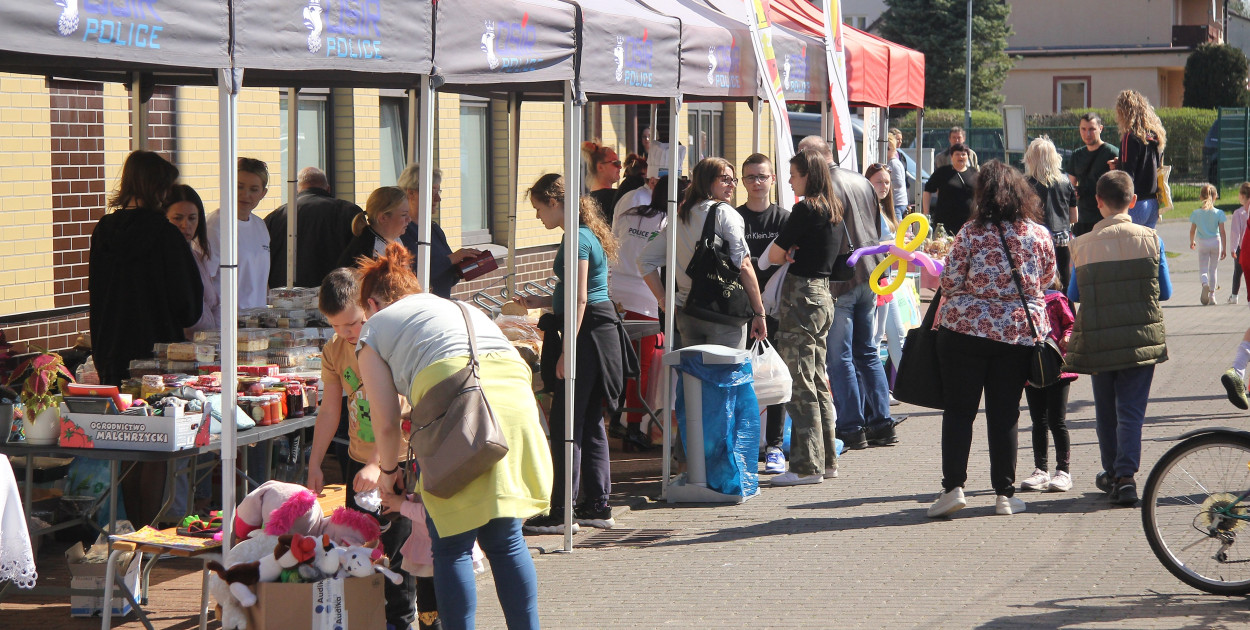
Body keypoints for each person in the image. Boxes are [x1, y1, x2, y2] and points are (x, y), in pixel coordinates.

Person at [356, 243, 551, 630]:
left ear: (373, 304)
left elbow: (386, 421)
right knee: (505, 538)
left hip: (460, 410)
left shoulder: (374, 328)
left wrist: (389, 470)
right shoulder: (457, 306)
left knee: (452, 544)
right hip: (513, 400)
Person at [926, 160, 1056, 519]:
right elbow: (1047, 280)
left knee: (959, 412)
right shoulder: (1038, 234)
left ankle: (953, 488)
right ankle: (1005, 494)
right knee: (1005, 415)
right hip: (1016, 334)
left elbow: (949, 282)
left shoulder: (970, 232)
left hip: (964, 332)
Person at [304, 268, 426, 630]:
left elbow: (398, 408)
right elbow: (330, 409)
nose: (346, 333)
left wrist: (378, 463)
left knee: (401, 559)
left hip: (400, 464)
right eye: (336, 326)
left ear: (367, 307)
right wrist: (314, 464)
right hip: (359, 466)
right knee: (359, 553)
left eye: (353, 323)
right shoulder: (334, 350)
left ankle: (402, 622)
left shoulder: (386, 341)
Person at [89, 150, 202, 526]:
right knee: (153, 444)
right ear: (156, 188)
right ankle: (146, 533)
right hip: (158, 357)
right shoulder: (165, 236)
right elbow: (189, 305)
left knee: (126, 443)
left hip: (111, 350)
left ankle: (130, 534)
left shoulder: (104, 230)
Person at [517, 173, 626, 534]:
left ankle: (563, 512)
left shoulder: (576, 238)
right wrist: (543, 300)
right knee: (590, 421)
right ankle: (596, 505)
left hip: (589, 334)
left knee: (567, 422)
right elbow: (583, 290)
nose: (537, 218)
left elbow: (581, 297)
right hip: (598, 328)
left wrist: (568, 350)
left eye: (538, 209)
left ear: (554, 201)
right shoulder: (582, 234)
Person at [1067, 170, 1172, 507]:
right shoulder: (1152, 239)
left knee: (1105, 411)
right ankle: (1126, 476)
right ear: (1134, 201)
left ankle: (1112, 472)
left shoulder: (1081, 245)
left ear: (1097, 202)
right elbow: (1166, 291)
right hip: (1141, 336)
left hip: (1099, 337)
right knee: (1131, 411)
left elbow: (1074, 292)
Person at [797, 136, 897, 451]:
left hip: (840, 277)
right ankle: (882, 423)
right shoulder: (860, 181)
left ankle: (852, 426)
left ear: (810, 156)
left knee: (840, 356)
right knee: (866, 351)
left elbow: (822, 235)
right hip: (870, 272)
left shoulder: (823, 187)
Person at [764, 150, 844, 487]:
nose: (789, 180)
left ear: (807, 176)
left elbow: (772, 255)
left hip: (801, 296)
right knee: (816, 378)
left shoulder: (805, 208)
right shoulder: (834, 209)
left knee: (800, 381)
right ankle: (826, 461)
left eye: (793, 174)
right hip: (823, 295)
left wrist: (788, 252)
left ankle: (805, 466)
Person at [638, 157, 768, 349]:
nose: (732, 185)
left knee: (693, 375)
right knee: (725, 376)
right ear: (707, 181)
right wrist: (759, 312)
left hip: (687, 311)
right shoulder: (725, 213)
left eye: (733, 180)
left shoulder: (680, 217)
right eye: (725, 179)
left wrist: (664, 300)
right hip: (722, 310)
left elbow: (645, 261)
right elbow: (744, 264)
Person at [610, 175, 679, 453]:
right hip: (647, 297)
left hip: (614, 293)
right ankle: (634, 428)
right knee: (641, 369)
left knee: (615, 362)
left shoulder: (628, 214)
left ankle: (615, 417)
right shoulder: (668, 224)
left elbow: (611, 246)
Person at [736, 154, 791, 475]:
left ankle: (774, 447)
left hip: (776, 311)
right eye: (750, 177)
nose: (757, 182)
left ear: (773, 180)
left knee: (776, 381)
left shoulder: (783, 220)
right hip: (740, 310)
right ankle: (746, 443)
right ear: (743, 182)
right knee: (742, 378)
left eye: (762, 176)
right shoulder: (733, 217)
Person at [1019, 278, 1077, 493]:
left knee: (1056, 420)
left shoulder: (1056, 299)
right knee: (1038, 421)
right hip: (1032, 368)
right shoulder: (1021, 301)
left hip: (1057, 366)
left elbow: (1071, 323)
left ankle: (1063, 471)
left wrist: (1068, 336)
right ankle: (1040, 470)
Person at [264, 166, 363, 288]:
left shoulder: (276, 216)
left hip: (287, 294)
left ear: (296, 191)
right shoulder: (349, 211)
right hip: (335, 293)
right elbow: (362, 257)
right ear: (328, 189)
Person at [397, 164, 483, 299]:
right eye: (432, 191)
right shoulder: (401, 231)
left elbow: (447, 275)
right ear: (411, 193)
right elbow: (412, 276)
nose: (438, 198)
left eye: (438, 192)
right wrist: (452, 259)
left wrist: (464, 265)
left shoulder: (434, 229)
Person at [207, 157, 270, 309]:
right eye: (239, 187)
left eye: (254, 189)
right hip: (225, 322)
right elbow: (205, 278)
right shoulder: (215, 224)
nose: (245, 194)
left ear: (263, 193)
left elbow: (261, 278)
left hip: (257, 323)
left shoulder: (260, 225)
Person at [864, 163, 905, 378]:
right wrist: (895, 243)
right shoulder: (867, 208)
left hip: (886, 281)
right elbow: (871, 243)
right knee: (876, 338)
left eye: (887, 182)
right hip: (873, 281)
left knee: (895, 335)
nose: (884, 186)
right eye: (879, 181)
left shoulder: (885, 209)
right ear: (867, 181)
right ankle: (878, 391)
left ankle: (902, 386)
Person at [1023, 136, 1077, 291]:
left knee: (1040, 285)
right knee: (1064, 283)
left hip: (1035, 239)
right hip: (1062, 238)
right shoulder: (1066, 181)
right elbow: (1074, 217)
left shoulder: (1025, 183)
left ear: (1030, 159)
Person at [165, 184, 219, 336]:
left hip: (206, 346)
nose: (185, 225)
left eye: (192, 218)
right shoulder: (167, 260)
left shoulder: (197, 256)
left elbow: (214, 303)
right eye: (177, 218)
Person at [1112, 89, 1166, 228]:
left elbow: (1127, 176)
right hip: (1153, 202)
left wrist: (1117, 167)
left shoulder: (1129, 137)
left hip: (1136, 203)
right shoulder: (1154, 136)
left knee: (1128, 248)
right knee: (1147, 247)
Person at [1068, 112, 1118, 237]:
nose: (1087, 134)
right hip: (1082, 217)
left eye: (1092, 129)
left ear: (1100, 129)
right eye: (1083, 129)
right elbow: (1070, 186)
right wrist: (1074, 193)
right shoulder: (1076, 155)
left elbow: (1120, 185)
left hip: (1104, 216)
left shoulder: (1112, 153)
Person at [337, 187, 411, 269]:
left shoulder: (393, 239)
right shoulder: (366, 252)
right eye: (404, 215)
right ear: (383, 218)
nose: (409, 219)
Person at [923, 142, 978, 235]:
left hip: (968, 221)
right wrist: (926, 213)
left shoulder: (974, 172)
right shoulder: (943, 172)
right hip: (945, 221)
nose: (960, 157)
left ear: (968, 157)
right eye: (957, 154)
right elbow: (927, 190)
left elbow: (980, 194)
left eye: (963, 154)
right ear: (951, 157)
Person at [1189, 184, 1227, 305]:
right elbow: (1222, 232)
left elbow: (1192, 230)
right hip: (1216, 241)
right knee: (1213, 269)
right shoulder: (1219, 213)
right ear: (1215, 196)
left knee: (1203, 269)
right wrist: (1224, 248)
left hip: (1203, 242)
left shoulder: (1195, 213)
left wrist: (1192, 241)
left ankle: (1204, 283)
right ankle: (1212, 296)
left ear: (1201, 197)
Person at [584, 142, 622, 225]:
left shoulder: (588, 199)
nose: (620, 167)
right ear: (600, 167)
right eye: (616, 163)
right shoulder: (617, 197)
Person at [1229, 183, 1250, 305]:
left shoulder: (1238, 213)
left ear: (1242, 195)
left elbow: (1235, 232)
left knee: (1238, 272)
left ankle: (1234, 296)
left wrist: (1233, 248)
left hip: (1242, 248)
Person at [887, 130, 909, 219]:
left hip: (897, 202)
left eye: (887, 148)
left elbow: (898, 183)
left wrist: (886, 183)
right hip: (898, 202)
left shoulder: (893, 163)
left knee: (897, 228)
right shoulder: (893, 162)